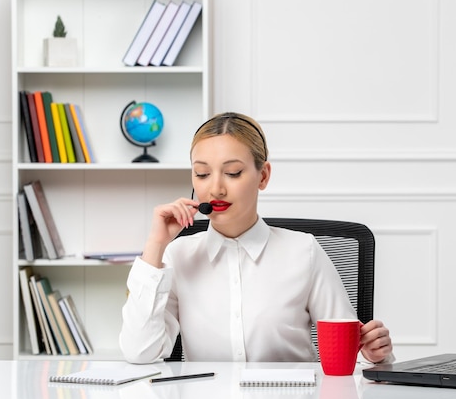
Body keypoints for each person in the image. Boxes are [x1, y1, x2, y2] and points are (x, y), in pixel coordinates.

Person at [119, 112, 394, 364]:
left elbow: (351, 360)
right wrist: (155, 246)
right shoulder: (178, 256)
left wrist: (373, 355)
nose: (215, 188)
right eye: (202, 174)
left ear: (263, 176)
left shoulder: (304, 252)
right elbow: (140, 353)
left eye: (233, 173)